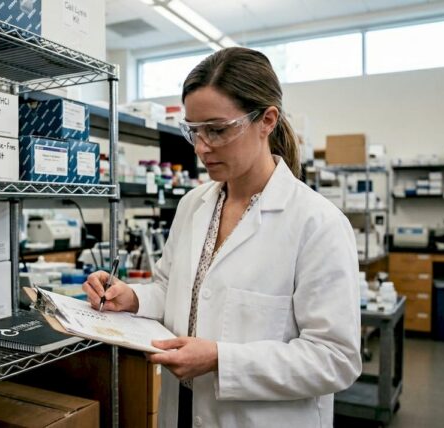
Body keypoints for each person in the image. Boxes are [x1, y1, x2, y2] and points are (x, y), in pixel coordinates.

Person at [83, 47, 361, 428]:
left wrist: (220, 359)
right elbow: (172, 290)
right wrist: (132, 297)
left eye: (216, 130)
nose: (201, 147)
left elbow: (336, 358)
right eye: (194, 131)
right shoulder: (192, 205)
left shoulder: (317, 223)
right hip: (182, 410)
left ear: (266, 121)